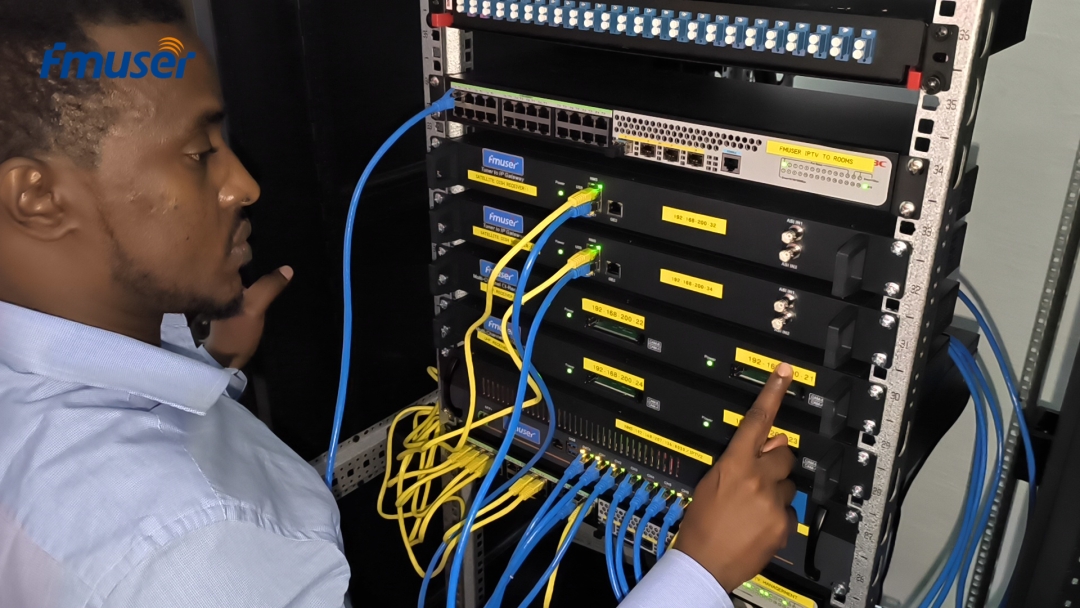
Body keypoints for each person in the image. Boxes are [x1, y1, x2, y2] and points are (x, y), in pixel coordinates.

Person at [0, 2, 796, 607]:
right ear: (37, 197)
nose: (243, 184)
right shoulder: (189, 552)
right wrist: (698, 573)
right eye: (199, 153)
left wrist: (199, 361)